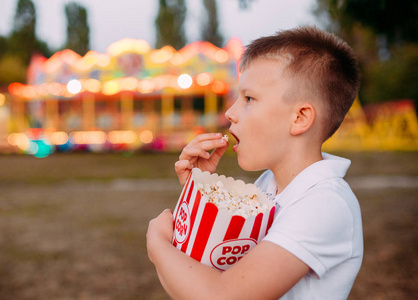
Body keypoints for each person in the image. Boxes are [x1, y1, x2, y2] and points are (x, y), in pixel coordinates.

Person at [146, 26, 363, 300]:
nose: (230, 113)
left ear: (299, 118)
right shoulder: (266, 187)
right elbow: (194, 279)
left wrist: (157, 245)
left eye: (249, 98)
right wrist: (200, 195)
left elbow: (221, 295)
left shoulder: (324, 203)